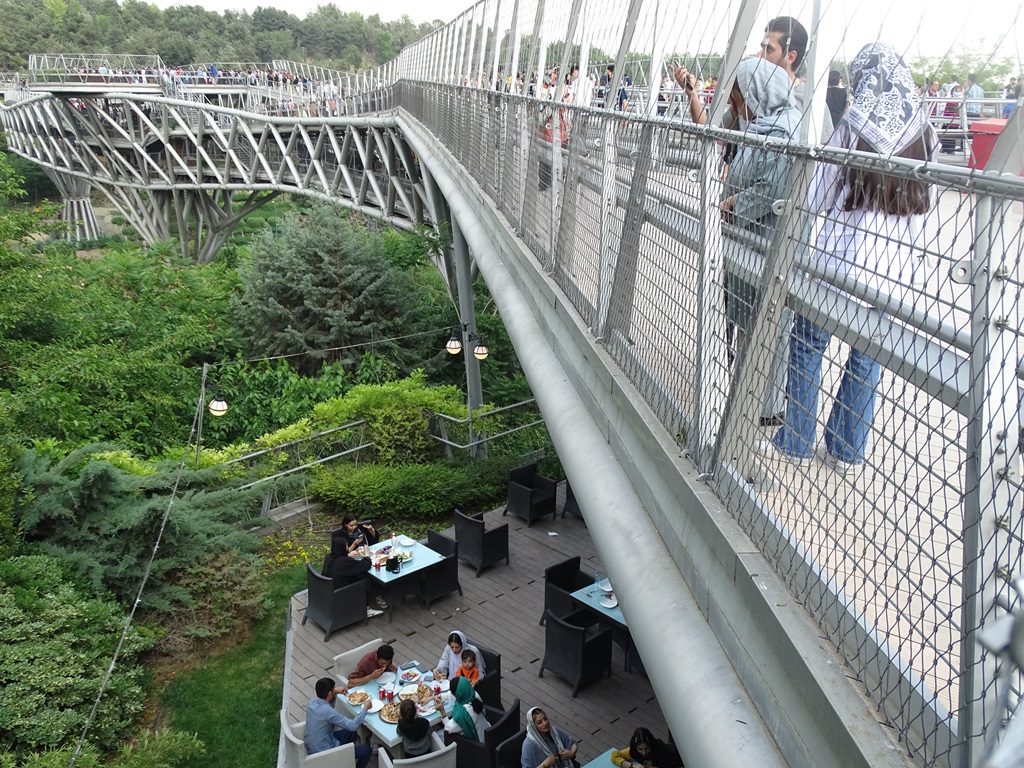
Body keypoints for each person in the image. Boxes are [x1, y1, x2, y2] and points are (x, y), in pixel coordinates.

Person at [761, 42, 937, 475]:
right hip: (891, 271)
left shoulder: (853, 127)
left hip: (838, 263)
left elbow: (818, 194)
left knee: (808, 345)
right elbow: (924, 212)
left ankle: (797, 438)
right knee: (867, 358)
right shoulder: (925, 133)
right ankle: (846, 450)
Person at [719, 58, 801, 425]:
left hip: (766, 245)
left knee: (767, 325)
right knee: (746, 320)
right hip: (748, 244)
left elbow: (773, 188)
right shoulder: (762, 127)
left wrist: (733, 202)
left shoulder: (782, 133)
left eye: (739, 96)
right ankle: (738, 393)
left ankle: (764, 409)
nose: (737, 104)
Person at [305, 677, 373, 768]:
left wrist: (335, 691)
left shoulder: (311, 703)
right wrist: (365, 709)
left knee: (351, 733)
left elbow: (328, 706)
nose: (335, 690)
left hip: (314, 746)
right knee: (367, 750)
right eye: (333, 689)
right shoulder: (328, 712)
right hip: (326, 753)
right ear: (329, 693)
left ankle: (347, 758)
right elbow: (352, 725)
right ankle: (342, 756)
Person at [321, 536, 389, 612]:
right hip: (341, 593)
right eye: (346, 546)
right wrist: (367, 554)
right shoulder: (344, 562)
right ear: (343, 548)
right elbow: (365, 565)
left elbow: (341, 563)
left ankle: (374, 595)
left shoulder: (329, 557)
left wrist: (348, 556)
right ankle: (366, 608)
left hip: (329, 590)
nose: (347, 547)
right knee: (365, 577)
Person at [610, 727, 683, 768]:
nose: (643, 752)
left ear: (651, 745)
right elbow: (614, 756)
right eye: (640, 749)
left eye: (647, 748)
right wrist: (632, 767)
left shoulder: (663, 751)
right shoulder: (634, 751)